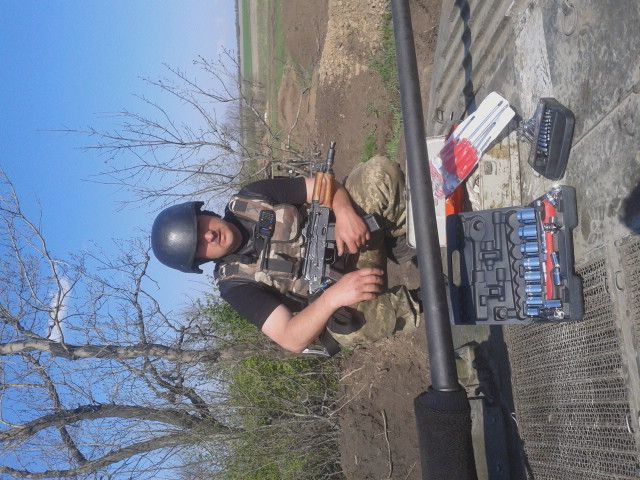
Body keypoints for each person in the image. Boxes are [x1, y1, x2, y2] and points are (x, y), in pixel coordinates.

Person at [151, 155, 421, 353]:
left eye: (201, 227)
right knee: (350, 330)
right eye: (200, 245)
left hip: (356, 233)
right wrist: (333, 297)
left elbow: (323, 186)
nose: (209, 236)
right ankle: (429, 299)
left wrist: (344, 212)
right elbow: (290, 338)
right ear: (202, 260)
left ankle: (404, 240)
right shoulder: (234, 285)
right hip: (348, 289)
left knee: (375, 173)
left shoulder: (250, 198)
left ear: (205, 214)